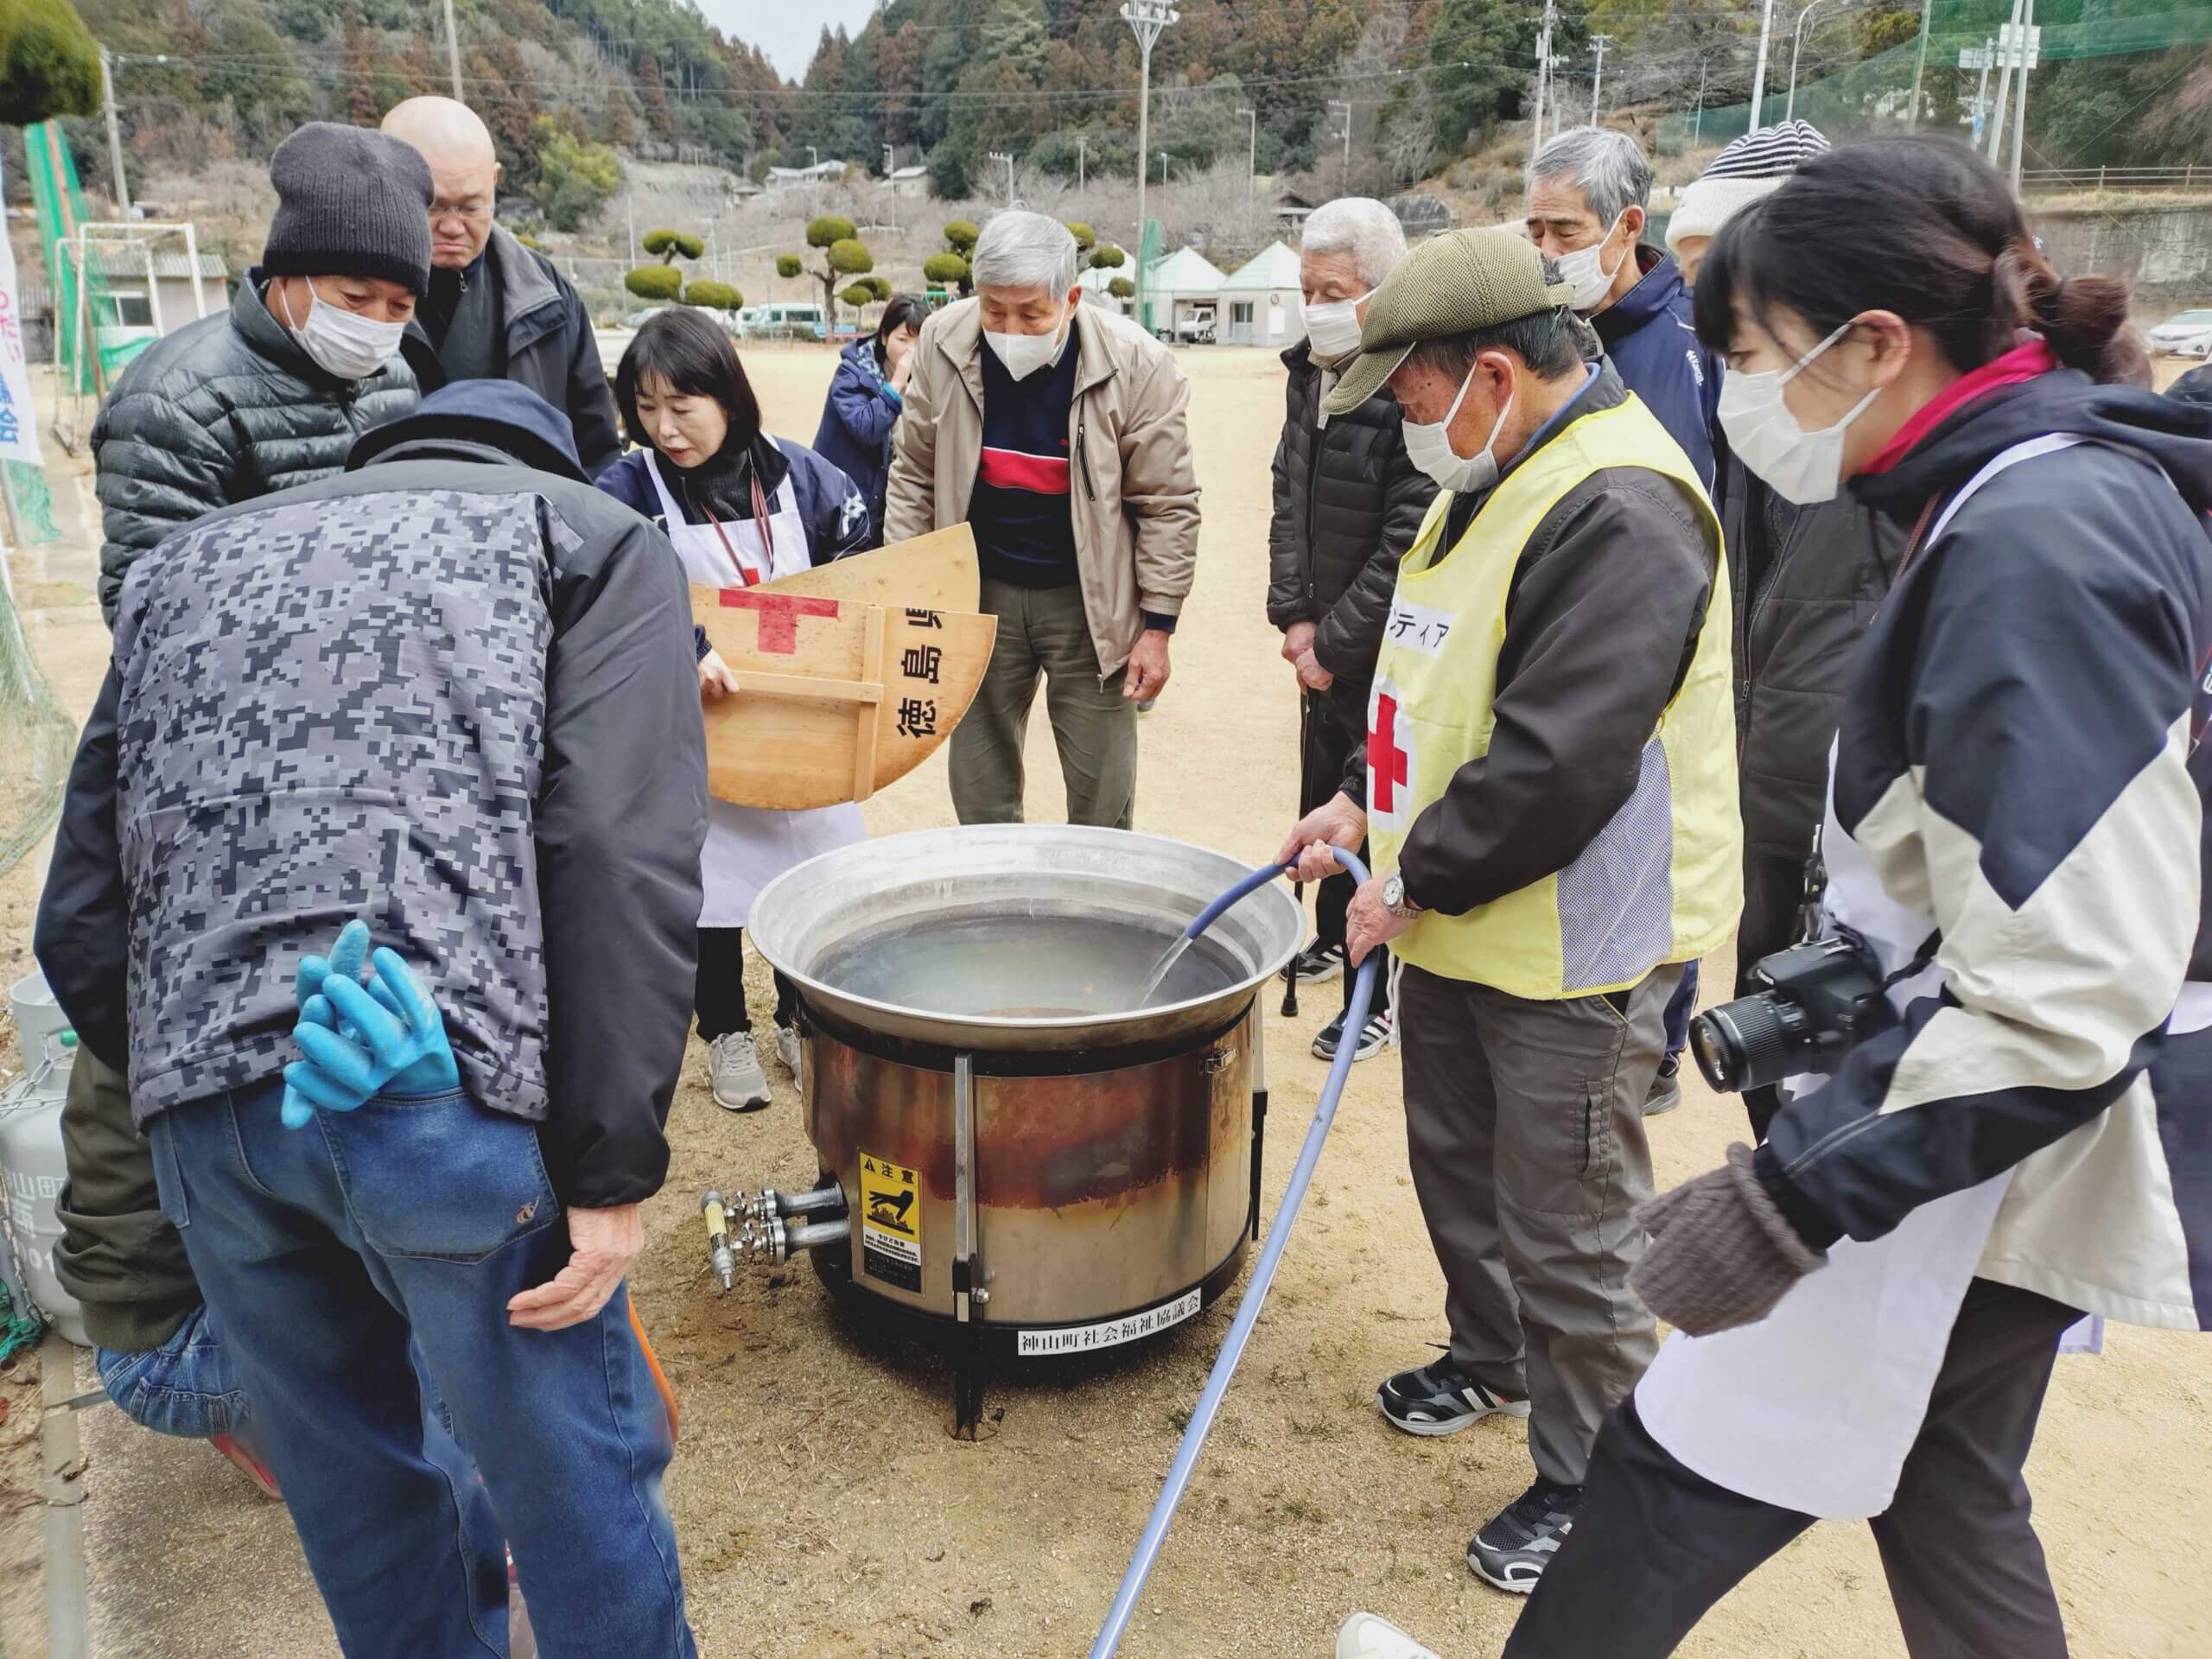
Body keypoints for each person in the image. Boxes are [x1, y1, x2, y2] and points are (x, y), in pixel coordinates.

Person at [1503, 138, 2212, 1659]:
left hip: (1966, 1125)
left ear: (1874, 343)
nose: (1742, 400)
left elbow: (2067, 981)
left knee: (1672, 1464)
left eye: (1752, 355)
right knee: (1947, 1486)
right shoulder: (2009, 489)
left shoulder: (2036, 539)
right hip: (1972, 1115)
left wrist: (1790, 1193)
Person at [35, 378, 708, 1656]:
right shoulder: (587, 538)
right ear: (553, 460)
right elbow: (619, 851)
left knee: (365, 1510)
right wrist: (610, 1171)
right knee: (575, 1500)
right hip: (425, 1093)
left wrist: (198, 1073)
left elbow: (78, 910)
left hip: (203, 1129)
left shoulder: (187, 562)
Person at [1277, 226, 1739, 1592]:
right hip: (1460, 916)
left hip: (1575, 936)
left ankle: (1595, 1477)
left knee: (1572, 1217)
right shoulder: (1491, 476)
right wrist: (1363, 802)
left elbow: (1558, 758)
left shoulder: (1624, 505)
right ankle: (1488, 1358)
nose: (1408, 430)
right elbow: (1435, 684)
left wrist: (1405, 883)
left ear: (1488, 370)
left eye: (1410, 398)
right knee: (1458, 1162)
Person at [1669, 118, 1906, 1139]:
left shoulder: (1908, 456)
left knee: (1853, 1088)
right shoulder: (1766, 427)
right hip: (1770, 797)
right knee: (1775, 1057)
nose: (1721, 354)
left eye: (1737, 323)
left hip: (1854, 825)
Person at [599, 308, 871, 1110]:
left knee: (811, 875)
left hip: (801, 721)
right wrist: (683, 642)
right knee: (710, 889)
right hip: (697, 730)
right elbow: (605, 589)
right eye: (646, 409)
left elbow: (859, 579)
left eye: (683, 407)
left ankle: (799, 1016)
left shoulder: (805, 475)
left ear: (727, 393)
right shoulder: (626, 488)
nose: (666, 430)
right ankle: (724, 1030)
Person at [1526, 124, 1726, 1111]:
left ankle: (1650, 1059)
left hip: (1660, 654)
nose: (1545, 249)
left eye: (1562, 227)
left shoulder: (1690, 347)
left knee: (1651, 858)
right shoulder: (1546, 330)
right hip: (1564, 639)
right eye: (1532, 228)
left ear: (1627, 226)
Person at [885, 210, 1201, 829]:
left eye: (1031, 313)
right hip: (979, 593)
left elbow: (1167, 502)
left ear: (1072, 297)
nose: (1009, 328)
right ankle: (996, 906)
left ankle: (1095, 913)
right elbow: (913, 474)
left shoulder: (1138, 363)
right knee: (979, 783)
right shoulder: (943, 342)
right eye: (992, 308)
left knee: (1102, 789)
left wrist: (1157, 627)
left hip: (1090, 602)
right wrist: (911, 588)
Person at [88, 121, 426, 625]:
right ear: (288, 274)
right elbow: (147, 603)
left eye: (399, 307)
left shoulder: (394, 375)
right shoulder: (172, 403)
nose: (375, 323)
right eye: (355, 298)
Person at [1269, 196, 1433, 1062]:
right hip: (1318, 648)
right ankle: (1334, 935)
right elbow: (1288, 494)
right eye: (1305, 286)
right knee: (1326, 804)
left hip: (1385, 650)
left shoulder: (1412, 378)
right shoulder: (1309, 369)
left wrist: (1334, 644)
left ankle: (1379, 987)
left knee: (1387, 811)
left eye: (1331, 288)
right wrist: (1295, 619)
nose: (1315, 303)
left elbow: (1411, 532)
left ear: (1386, 286)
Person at [383, 96, 623, 478]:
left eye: (470, 206)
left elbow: (596, 449)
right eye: (431, 206)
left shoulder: (548, 294)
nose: (451, 225)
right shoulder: (350, 297)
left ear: (493, 180)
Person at [814, 294, 929, 546]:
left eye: (920, 342)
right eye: (903, 339)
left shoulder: (925, 382)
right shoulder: (852, 374)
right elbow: (866, 428)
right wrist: (896, 383)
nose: (912, 350)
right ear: (884, 336)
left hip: (885, 507)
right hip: (843, 503)